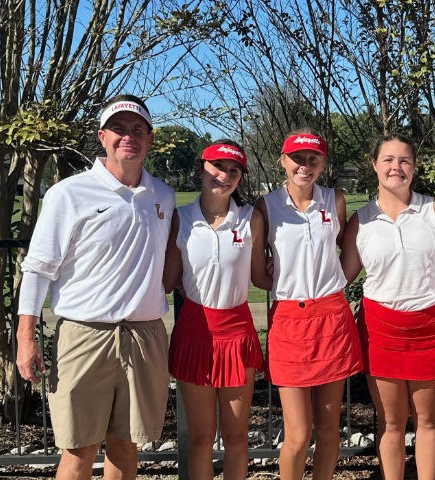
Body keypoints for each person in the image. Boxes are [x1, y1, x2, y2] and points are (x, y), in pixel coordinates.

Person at [16, 94, 175, 480]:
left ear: (150, 139)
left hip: (145, 336)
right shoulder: (68, 194)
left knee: (126, 444)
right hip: (85, 335)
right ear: (102, 136)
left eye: (138, 130)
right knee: (79, 448)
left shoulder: (164, 196)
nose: (128, 137)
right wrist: (25, 338)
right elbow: (38, 269)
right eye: (119, 129)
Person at [340, 134, 435, 480]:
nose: (396, 167)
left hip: (431, 326)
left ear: (415, 167)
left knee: (429, 420)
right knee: (391, 421)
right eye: (388, 160)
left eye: (404, 161)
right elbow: (341, 276)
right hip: (381, 328)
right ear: (374, 165)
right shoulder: (360, 221)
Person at [251, 129, 363, 480]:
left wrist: (338, 281)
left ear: (322, 163)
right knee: (298, 435)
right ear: (283, 161)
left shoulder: (335, 199)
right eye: (297, 158)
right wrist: (287, 282)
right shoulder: (266, 206)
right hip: (289, 320)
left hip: (331, 317)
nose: (305, 165)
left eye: (313, 159)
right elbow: (258, 274)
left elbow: (350, 248)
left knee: (330, 429)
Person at [163, 140, 264, 480]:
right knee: (202, 438)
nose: (225, 175)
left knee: (236, 438)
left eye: (234, 170)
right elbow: (168, 279)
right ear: (201, 169)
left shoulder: (251, 218)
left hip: (237, 331)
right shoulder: (182, 218)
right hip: (195, 332)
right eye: (218, 166)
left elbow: (262, 275)